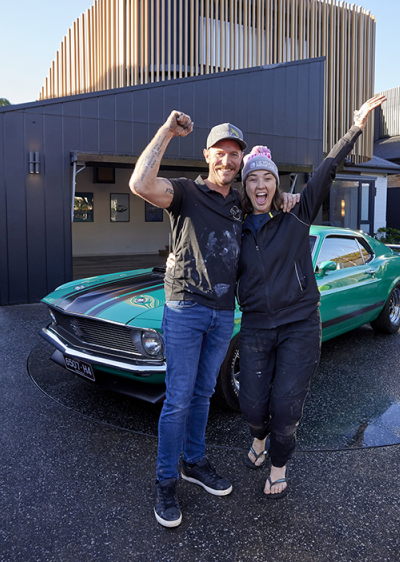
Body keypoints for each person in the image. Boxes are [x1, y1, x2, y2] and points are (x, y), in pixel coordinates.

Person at [235, 94, 386, 499]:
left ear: (277, 183)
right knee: (251, 403)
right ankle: (258, 439)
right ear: (245, 187)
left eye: (267, 177)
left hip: (300, 323)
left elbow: (327, 169)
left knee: (285, 407)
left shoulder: (297, 214)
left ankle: (278, 466)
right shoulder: (236, 226)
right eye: (253, 178)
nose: (261, 184)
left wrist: (355, 126)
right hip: (255, 326)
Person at [129, 111, 247, 528]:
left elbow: (272, 197)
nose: (227, 161)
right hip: (185, 308)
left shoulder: (241, 201)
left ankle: (193, 462)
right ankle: (165, 482)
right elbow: (141, 184)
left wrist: (284, 197)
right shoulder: (185, 193)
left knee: (202, 395)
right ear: (206, 155)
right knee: (178, 399)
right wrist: (166, 131)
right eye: (221, 153)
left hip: (222, 312)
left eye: (235, 155)